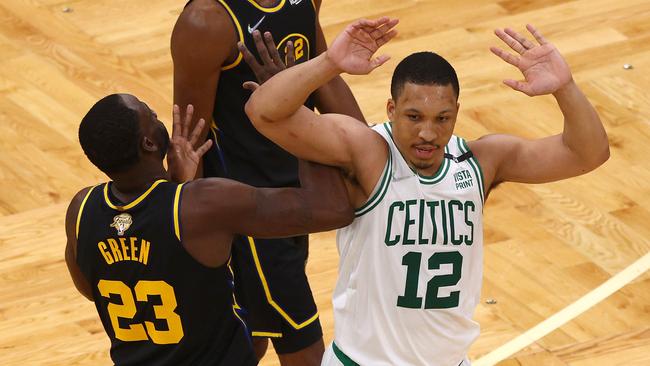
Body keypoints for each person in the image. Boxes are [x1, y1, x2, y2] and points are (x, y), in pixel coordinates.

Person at [245, 18, 610, 365]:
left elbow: (587, 153)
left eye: (442, 119)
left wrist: (566, 88)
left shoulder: (478, 162)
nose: (427, 134)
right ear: (392, 110)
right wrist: (329, 62)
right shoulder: (370, 153)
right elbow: (264, 112)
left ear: (456, 114)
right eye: (414, 116)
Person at [64, 93, 353, 366]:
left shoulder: (81, 210)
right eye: (149, 114)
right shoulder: (204, 205)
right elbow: (332, 209)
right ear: (149, 144)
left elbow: (93, 289)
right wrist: (295, 116)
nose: (155, 113)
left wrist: (174, 186)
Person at [170, 0, 365, 363]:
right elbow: (189, 136)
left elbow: (324, 72)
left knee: (251, 333)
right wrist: (184, 233)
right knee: (302, 345)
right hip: (248, 210)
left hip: (303, 189)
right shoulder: (207, 22)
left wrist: (374, 158)